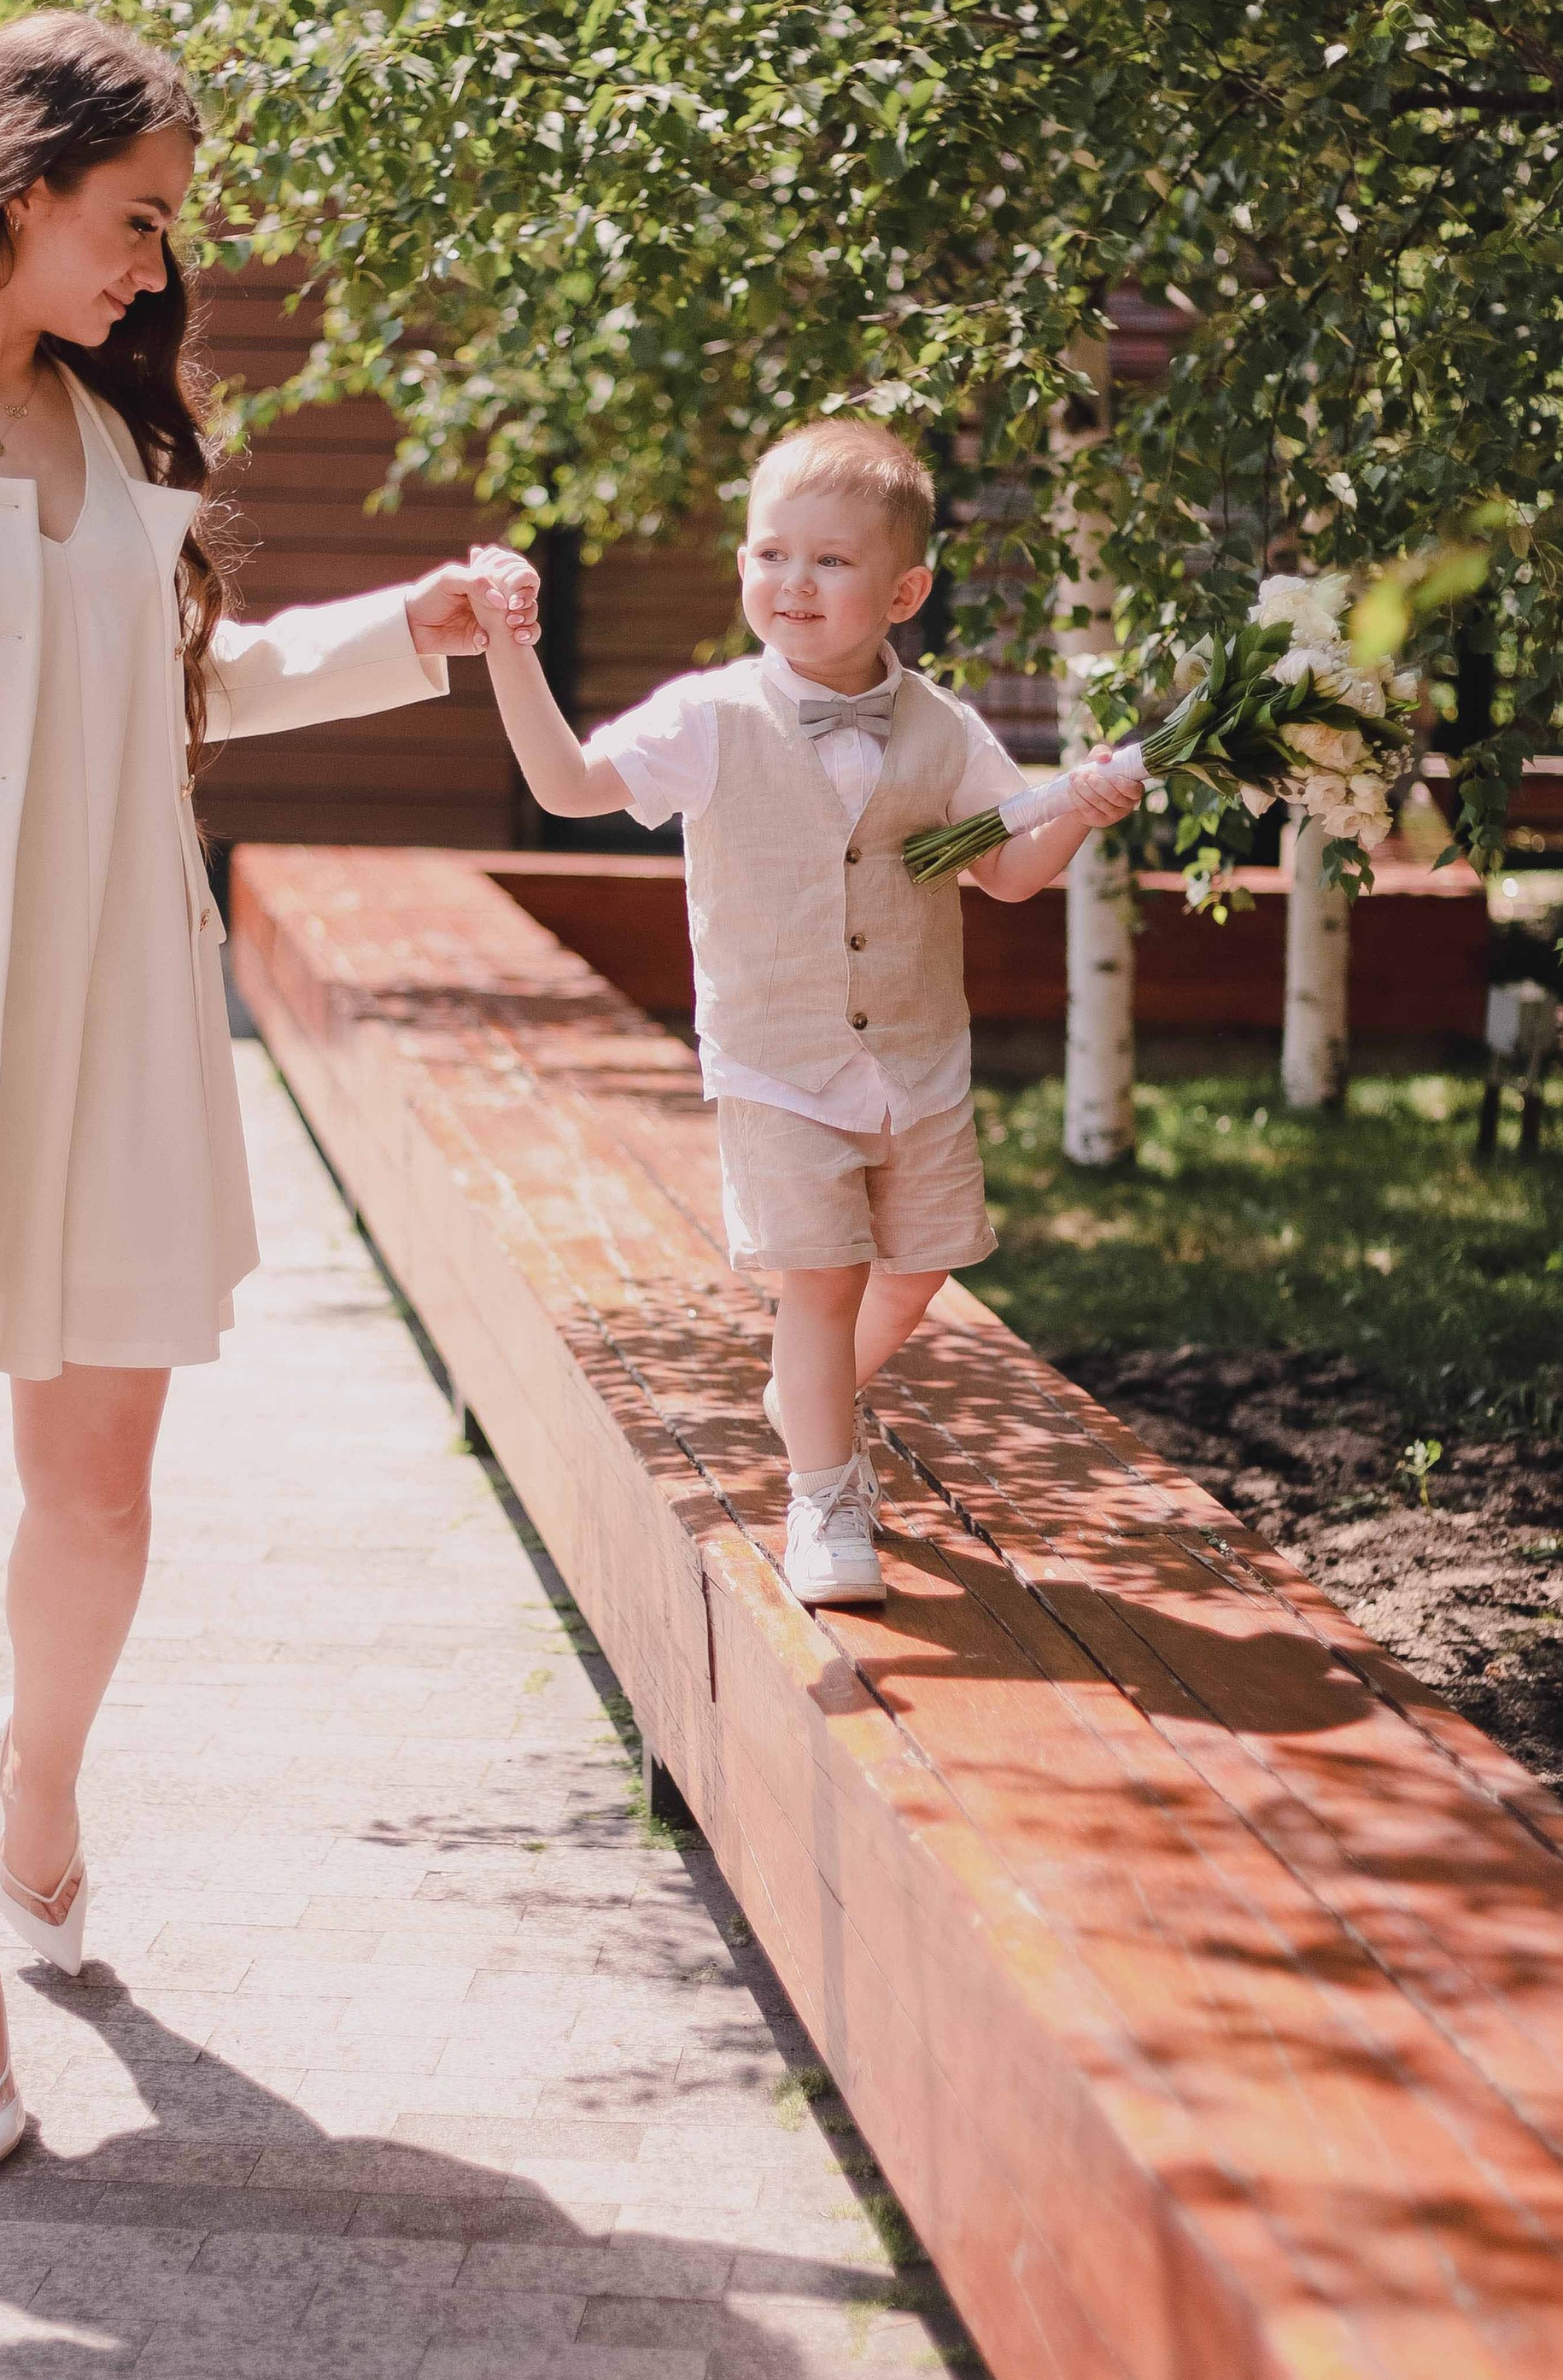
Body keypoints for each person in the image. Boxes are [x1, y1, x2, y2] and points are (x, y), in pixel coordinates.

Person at [0, 12, 536, 2172]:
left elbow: (172, 699)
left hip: (115, 1014)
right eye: (136, 217)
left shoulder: (124, 451)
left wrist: (403, 627)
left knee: (105, 1486)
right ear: (20, 185)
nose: (157, 264)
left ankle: (35, 1781)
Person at [472, 418, 1137, 1611]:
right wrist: (508, 651)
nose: (792, 582)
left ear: (904, 589)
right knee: (821, 1278)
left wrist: (1080, 806)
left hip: (918, 1059)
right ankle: (826, 1493)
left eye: (829, 562)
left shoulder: (944, 727)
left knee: (922, 1264)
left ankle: (802, 1393)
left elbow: (1006, 872)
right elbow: (567, 788)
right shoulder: (713, 717)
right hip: (779, 1060)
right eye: (769, 553)